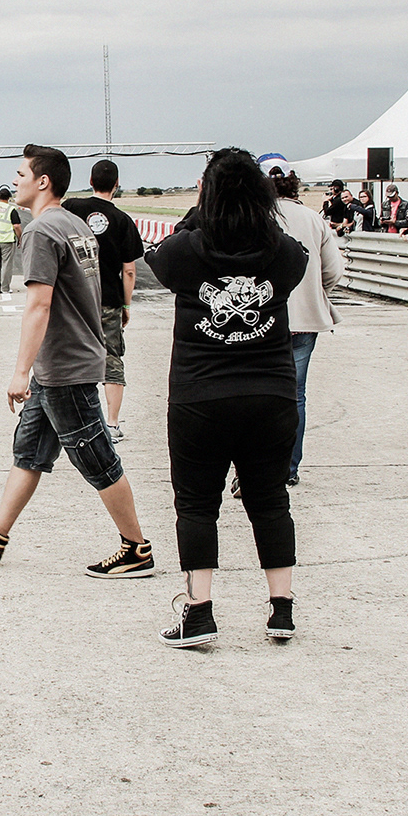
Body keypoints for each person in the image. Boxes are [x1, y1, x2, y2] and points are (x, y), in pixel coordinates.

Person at [0, 144, 153, 580]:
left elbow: (39, 305)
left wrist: (20, 371)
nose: (16, 180)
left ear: (43, 181)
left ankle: (136, 547)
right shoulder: (75, 225)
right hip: (66, 360)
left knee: (96, 458)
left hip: (64, 368)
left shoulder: (41, 232)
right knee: (31, 450)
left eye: (21, 174)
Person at [145, 148, 309, 647]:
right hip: (271, 393)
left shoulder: (186, 250)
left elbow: (160, 261)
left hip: (200, 396)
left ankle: (199, 614)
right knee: (270, 500)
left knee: (196, 505)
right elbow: (298, 260)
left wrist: (200, 213)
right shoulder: (282, 251)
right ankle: (281, 610)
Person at [266, 162, 344, 486]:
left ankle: (257, 468)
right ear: (295, 186)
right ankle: (289, 468)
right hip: (305, 320)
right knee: (295, 395)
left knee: (261, 393)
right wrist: (312, 289)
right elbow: (335, 272)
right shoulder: (315, 219)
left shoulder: (258, 217)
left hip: (263, 319)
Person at [62, 159, 144, 441]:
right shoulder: (123, 221)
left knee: (72, 355)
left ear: (91, 181)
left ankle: (73, 421)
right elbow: (129, 269)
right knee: (111, 359)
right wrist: (126, 304)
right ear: (117, 185)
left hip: (75, 299)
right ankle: (111, 423)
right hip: (108, 300)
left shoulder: (71, 208)